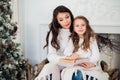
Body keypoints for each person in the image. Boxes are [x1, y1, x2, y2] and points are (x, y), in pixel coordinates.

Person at [61, 16, 109, 80]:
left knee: (94, 76)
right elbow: (66, 52)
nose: (80, 27)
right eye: (77, 26)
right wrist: (72, 55)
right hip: (76, 65)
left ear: (87, 26)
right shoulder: (72, 39)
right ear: (74, 28)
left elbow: (96, 55)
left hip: (88, 64)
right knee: (76, 74)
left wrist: (92, 63)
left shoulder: (91, 39)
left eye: (83, 25)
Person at [35, 5, 74, 80]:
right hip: (59, 62)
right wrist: (64, 58)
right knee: (51, 67)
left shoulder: (78, 29)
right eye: (61, 19)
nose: (65, 21)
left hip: (74, 64)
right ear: (57, 21)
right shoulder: (54, 33)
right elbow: (51, 55)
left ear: (71, 16)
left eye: (67, 17)